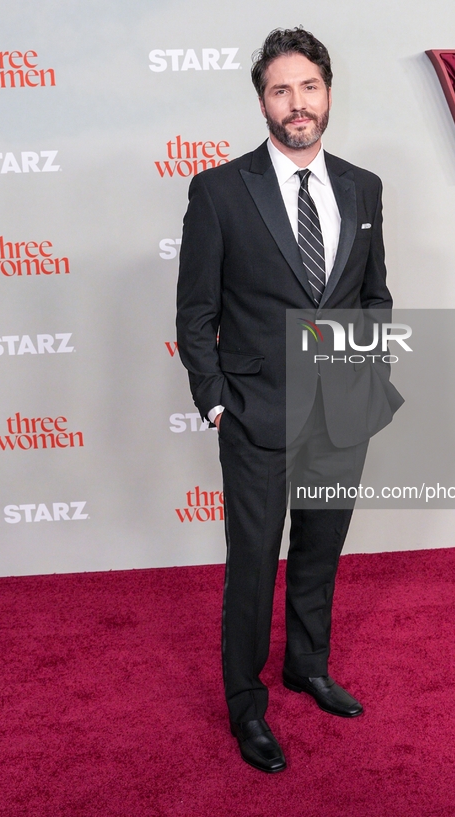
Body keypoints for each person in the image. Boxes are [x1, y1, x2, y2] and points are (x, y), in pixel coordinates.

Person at [176, 27, 401, 773]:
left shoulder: (362, 187)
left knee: (318, 551)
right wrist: (215, 402)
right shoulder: (217, 191)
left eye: (308, 87)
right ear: (262, 102)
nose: (296, 103)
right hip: (255, 413)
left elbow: (373, 294)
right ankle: (246, 701)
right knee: (252, 562)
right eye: (280, 90)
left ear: (327, 93)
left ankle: (307, 663)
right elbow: (194, 312)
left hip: (339, 411)